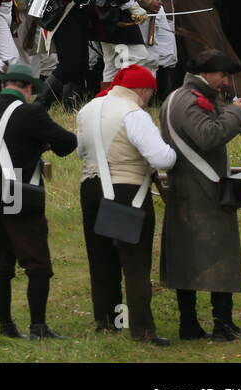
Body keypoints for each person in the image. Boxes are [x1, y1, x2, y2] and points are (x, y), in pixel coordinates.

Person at [0, 63, 78, 339]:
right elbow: (67, 143)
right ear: (29, 88)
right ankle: (38, 326)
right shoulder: (32, 113)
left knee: (1, 265)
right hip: (22, 193)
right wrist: (42, 143)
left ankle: (6, 326)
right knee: (37, 264)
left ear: (6, 84)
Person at [75, 65, 176, 345]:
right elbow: (162, 158)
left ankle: (108, 321)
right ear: (143, 90)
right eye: (149, 94)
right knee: (135, 263)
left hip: (91, 188)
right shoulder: (133, 114)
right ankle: (142, 330)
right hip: (128, 191)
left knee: (101, 259)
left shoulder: (87, 109)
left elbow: (80, 151)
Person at [156, 50, 241, 341]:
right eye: (223, 75)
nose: (225, 81)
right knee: (218, 254)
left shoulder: (182, 97)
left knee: (187, 257)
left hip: (192, 188)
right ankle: (220, 324)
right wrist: (236, 112)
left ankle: (192, 324)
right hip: (201, 189)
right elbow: (209, 136)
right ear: (208, 74)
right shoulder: (189, 102)